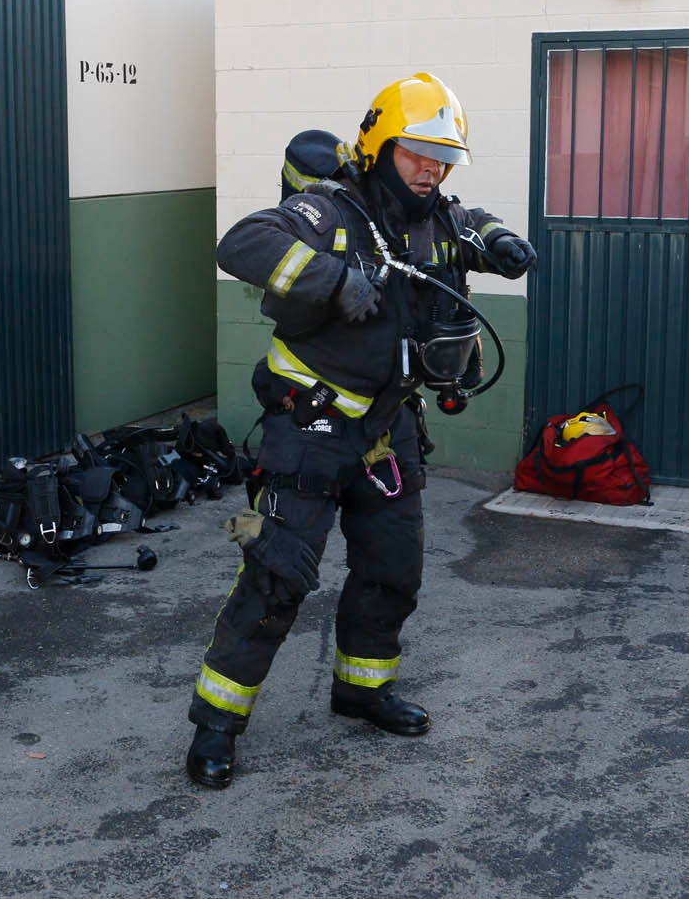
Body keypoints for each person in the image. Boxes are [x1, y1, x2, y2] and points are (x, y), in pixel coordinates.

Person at [184, 72, 539, 789]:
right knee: (277, 577)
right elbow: (241, 242)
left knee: (391, 569)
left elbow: (473, 222)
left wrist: (502, 240)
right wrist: (332, 279)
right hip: (310, 424)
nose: (430, 169)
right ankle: (215, 725)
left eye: (443, 158)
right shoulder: (331, 211)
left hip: (388, 428)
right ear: (379, 147)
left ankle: (362, 691)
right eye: (417, 153)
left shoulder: (438, 217)